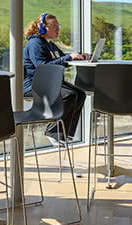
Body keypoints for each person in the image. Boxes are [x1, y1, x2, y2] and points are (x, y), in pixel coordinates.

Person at [23, 13, 87, 146]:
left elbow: (62, 58)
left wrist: (79, 56)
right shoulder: (35, 43)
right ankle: (52, 132)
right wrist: (68, 58)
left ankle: (65, 133)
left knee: (80, 94)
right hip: (35, 85)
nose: (58, 29)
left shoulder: (50, 45)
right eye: (55, 26)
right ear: (43, 28)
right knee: (70, 95)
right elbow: (42, 66)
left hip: (50, 83)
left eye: (59, 26)